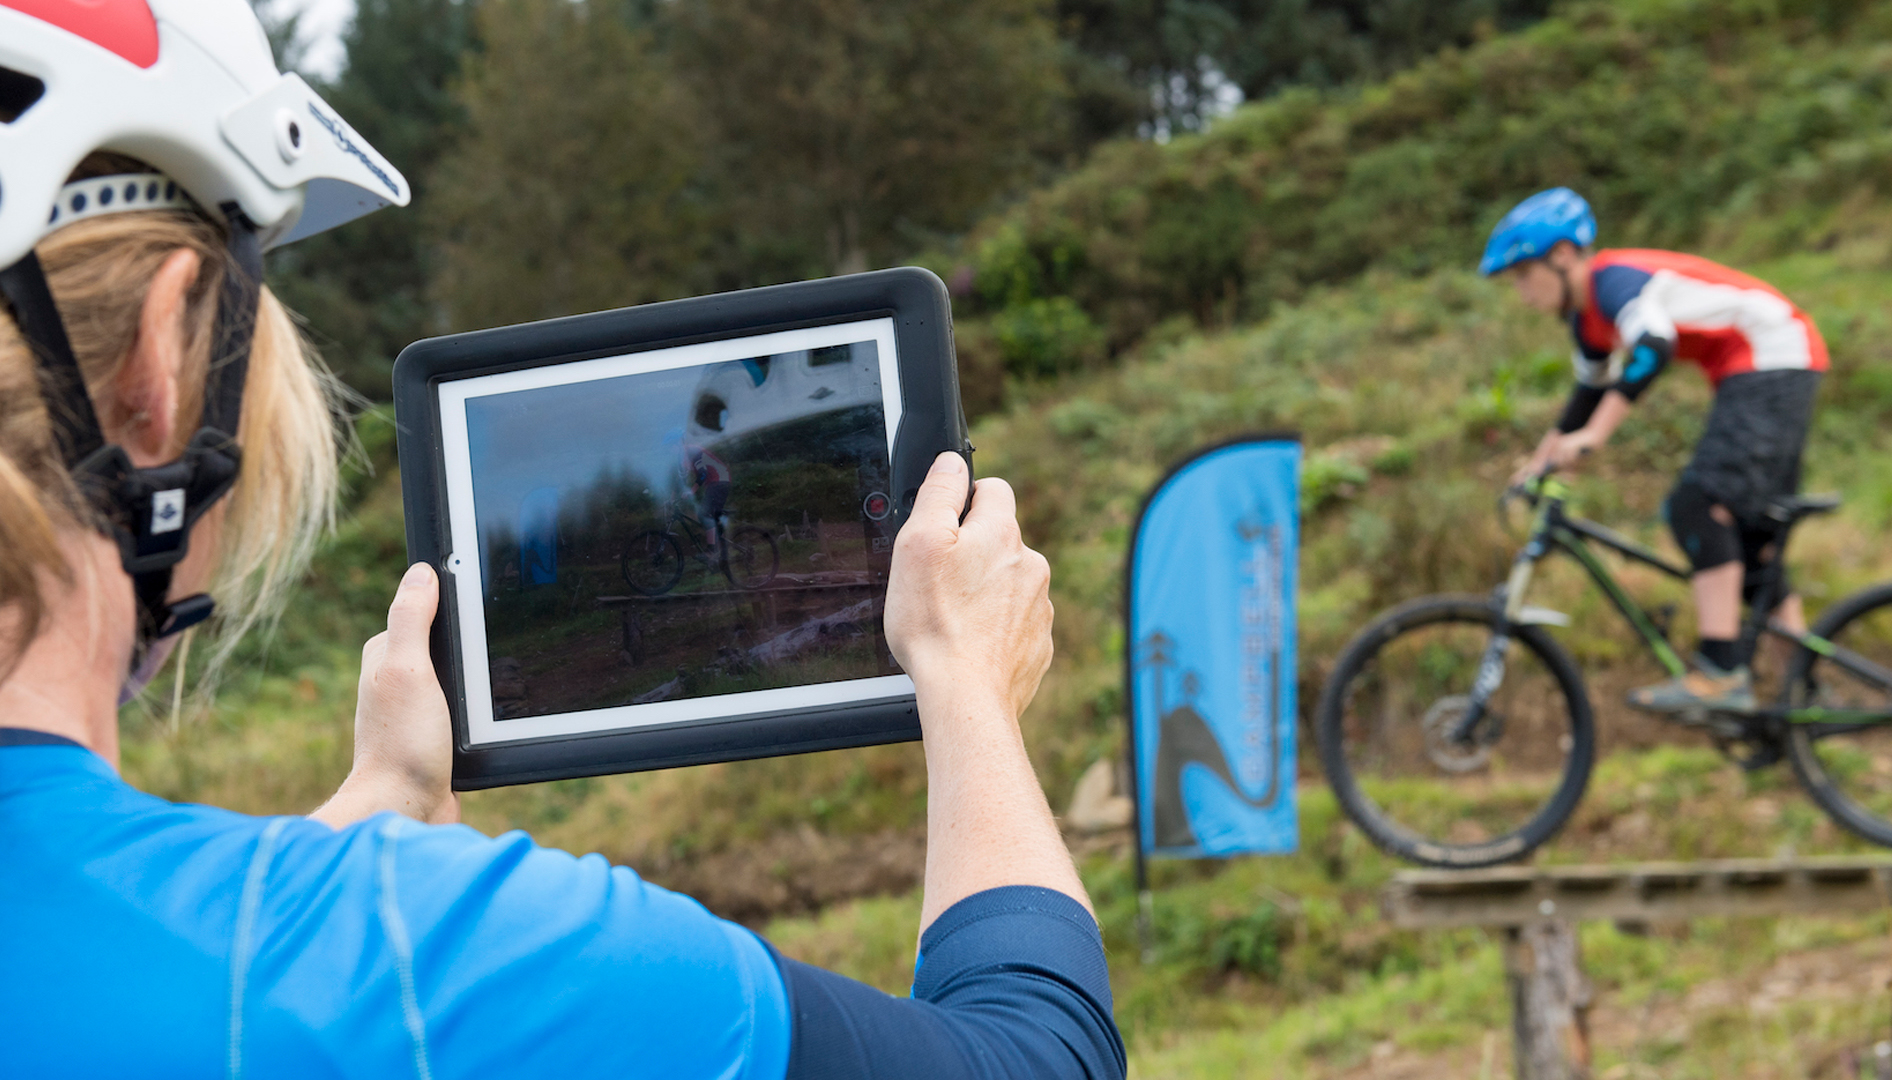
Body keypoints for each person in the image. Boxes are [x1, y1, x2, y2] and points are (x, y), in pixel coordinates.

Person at [0, 3, 1125, 1078]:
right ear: (159, 364)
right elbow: (1038, 1061)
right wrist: (967, 686)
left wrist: (376, 802)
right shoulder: (435, 960)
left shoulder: (320, 956)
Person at [1483, 187, 1828, 713]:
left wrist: (1595, 437)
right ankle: (1803, 700)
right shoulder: (1586, 321)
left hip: (1771, 355)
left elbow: (1653, 346)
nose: (1521, 291)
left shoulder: (1613, 282)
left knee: (1697, 506)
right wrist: (1540, 462)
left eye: (1524, 274)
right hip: (1766, 363)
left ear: (1563, 256)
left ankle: (1721, 673)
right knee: (1749, 545)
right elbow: (1586, 397)